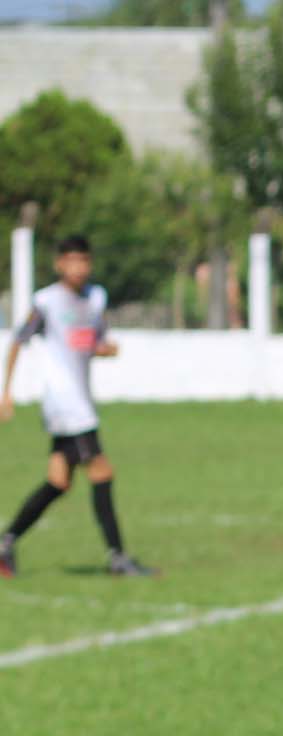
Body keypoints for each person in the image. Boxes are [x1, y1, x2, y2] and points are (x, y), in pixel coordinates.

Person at [0, 235, 152, 582]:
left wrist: (104, 349)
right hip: (65, 402)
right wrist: (5, 392)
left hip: (80, 399)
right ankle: (118, 558)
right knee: (102, 472)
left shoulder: (95, 299)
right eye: (71, 261)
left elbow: (90, 342)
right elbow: (18, 341)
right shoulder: (48, 302)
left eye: (84, 261)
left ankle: (6, 542)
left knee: (58, 481)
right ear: (59, 264)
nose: (78, 268)